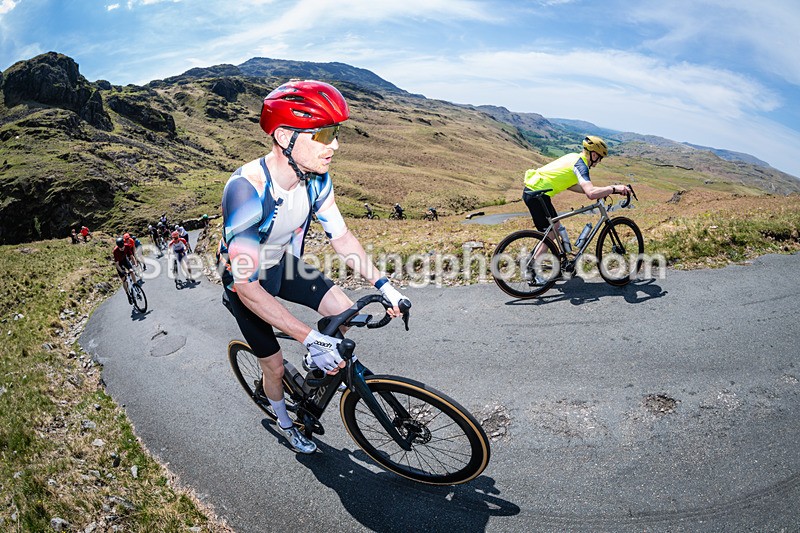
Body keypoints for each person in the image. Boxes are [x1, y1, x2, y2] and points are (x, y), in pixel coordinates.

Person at [217, 80, 408, 454]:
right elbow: (247, 286)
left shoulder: (317, 179)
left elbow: (342, 238)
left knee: (344, 313)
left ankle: (316, 367)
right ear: (285, 136)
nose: (334, 145)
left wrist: (385, 285)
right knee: (272, 366)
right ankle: (286, 423)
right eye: (323, 134)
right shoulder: (246, 190)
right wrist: (309, 336)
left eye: (335, 133)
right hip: (246, 281)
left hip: (283, 265)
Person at [522, 135, 630, 282]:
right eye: (599, 158)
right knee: (552, 232)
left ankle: (534, 261)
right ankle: (532, 269)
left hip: (535, 191)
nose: (598, 162)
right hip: (537, 194)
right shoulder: (581, 165)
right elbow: (590, 194)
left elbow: (575, 186)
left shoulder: (574, 157)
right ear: (593, 154)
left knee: (554, 228)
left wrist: (604, 190)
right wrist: (613, 188)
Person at [113, 237, 139, 303]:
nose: (122, 249)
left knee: (131, 271)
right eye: (120, 248)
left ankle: (136, 285)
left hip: (125, 260)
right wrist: (122, 271)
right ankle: (127, 293)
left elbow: (131, 256)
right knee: (124, 280)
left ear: (124, 245)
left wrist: (135, 263)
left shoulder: (127, 246)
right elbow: (117, 264)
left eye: (122, 247)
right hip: (119, 264)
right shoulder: (115, 251)